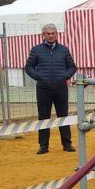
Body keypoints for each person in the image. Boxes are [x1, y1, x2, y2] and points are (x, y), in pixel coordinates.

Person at [25, 23, 77, 155]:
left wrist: (64, 76)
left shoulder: (64, 50)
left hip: (61, 88)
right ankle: (43, 146)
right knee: (43, 117)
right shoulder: (36, 50)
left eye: (53, 33)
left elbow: (72, 67)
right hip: (43, 88)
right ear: (43, 35)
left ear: (56, 35)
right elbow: (29, 67)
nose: (51, 36)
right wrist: (39, 77)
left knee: (63, 115)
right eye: (48, 33)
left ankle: (67, 143)